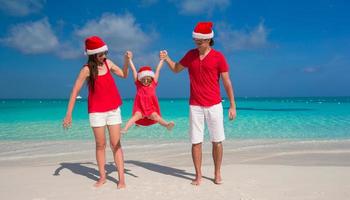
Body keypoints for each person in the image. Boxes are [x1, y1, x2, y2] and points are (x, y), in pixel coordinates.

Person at [160, 22, 237, 185]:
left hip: (214, 105)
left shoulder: (219, 57)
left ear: (208, 40)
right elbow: (175, 69)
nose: (197, 43)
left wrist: (232, 105)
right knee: (196, 141)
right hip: (195, 106)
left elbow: (227, 82)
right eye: (195, 40)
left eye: (200, 40)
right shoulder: (190, 55)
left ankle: (217, 173)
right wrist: (167, 59)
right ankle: (198, 175)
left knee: (217, 141)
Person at [62, 36, 128, 189]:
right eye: (100, 54)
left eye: (105, 53)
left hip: (113, 110)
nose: (104, 56)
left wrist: (125, 61)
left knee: (116, 144)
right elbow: (74, 91)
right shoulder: (86, 70)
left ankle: (122, 179)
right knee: (100, 145)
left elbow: (124, 75)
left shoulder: (108, 63)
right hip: (96, 112)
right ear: (93, 55)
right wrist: (68, 114)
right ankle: (103, 177)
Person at [121, 51, 175, 133]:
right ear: (140, 79)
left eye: (148, 79)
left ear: (151, 79)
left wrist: (162, 59)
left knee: (156, 116)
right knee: (135, 117)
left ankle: (167, 125)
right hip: (140, 108)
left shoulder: (153, 84)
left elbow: (157, 70)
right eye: (144, 79)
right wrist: (129, 60)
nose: (146, 81)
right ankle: (125, 128)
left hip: (151, 108)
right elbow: (133, 70)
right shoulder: (138, 84)